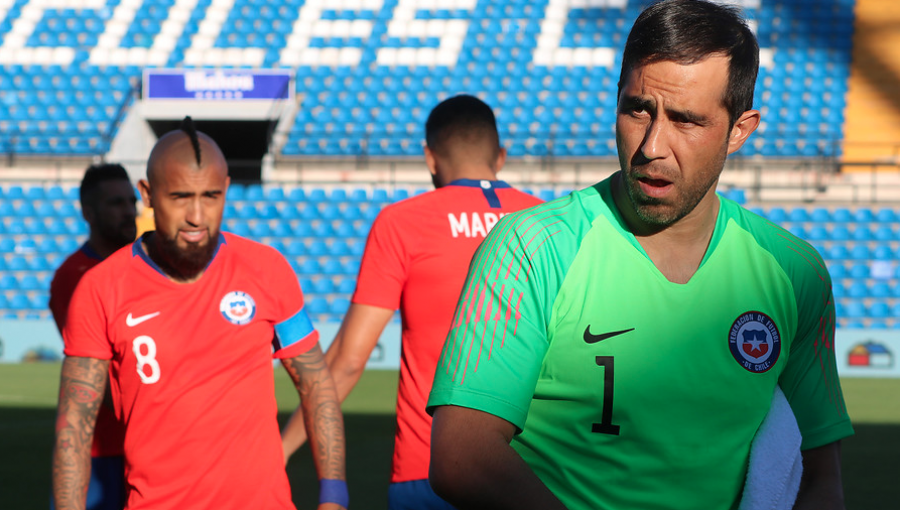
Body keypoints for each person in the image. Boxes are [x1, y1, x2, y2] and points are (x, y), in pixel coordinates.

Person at [426, 2, 854, 509]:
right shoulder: (531, 246)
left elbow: (818, 478)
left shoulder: (793, 272)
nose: (653, 145)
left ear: (740, 130)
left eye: (687, 120)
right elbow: (460, 456)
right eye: (638, 110)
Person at [52, 118, 348, 510]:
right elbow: (75, 423)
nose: (196, 216)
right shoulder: (100, 288)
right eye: (179, 197)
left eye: (210, 196)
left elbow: (316, 385)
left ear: (226, 190)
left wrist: (334, 496)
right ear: (148, 194)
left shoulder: (267, 269)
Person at [281, 95, 542, 509]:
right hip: (526, 473)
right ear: (501, 156)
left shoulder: (402, 223)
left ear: (429, 157)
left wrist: (283, 447)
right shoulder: (544, 220)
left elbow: (349, 361)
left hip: (429, 470)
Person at [48, 163, 137, 510]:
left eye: (132, 202)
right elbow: (102, 364)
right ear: (89, 211)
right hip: (99, 450)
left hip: (147, 445)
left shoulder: (147, 267)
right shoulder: (74, 276)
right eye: (116, 203)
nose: (129, 211)